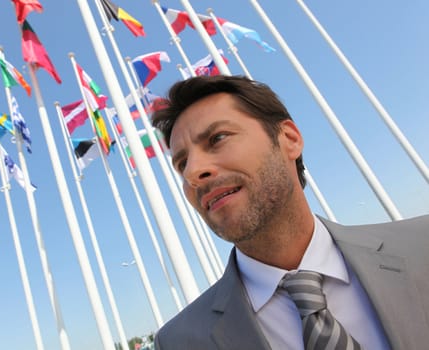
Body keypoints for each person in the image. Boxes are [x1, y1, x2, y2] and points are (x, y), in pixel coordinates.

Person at [150, 75, 429, 349]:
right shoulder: (178, 342)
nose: (193, 172)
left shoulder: (422, 245)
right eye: (182, 163)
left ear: (289, 139)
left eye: (218, 138)